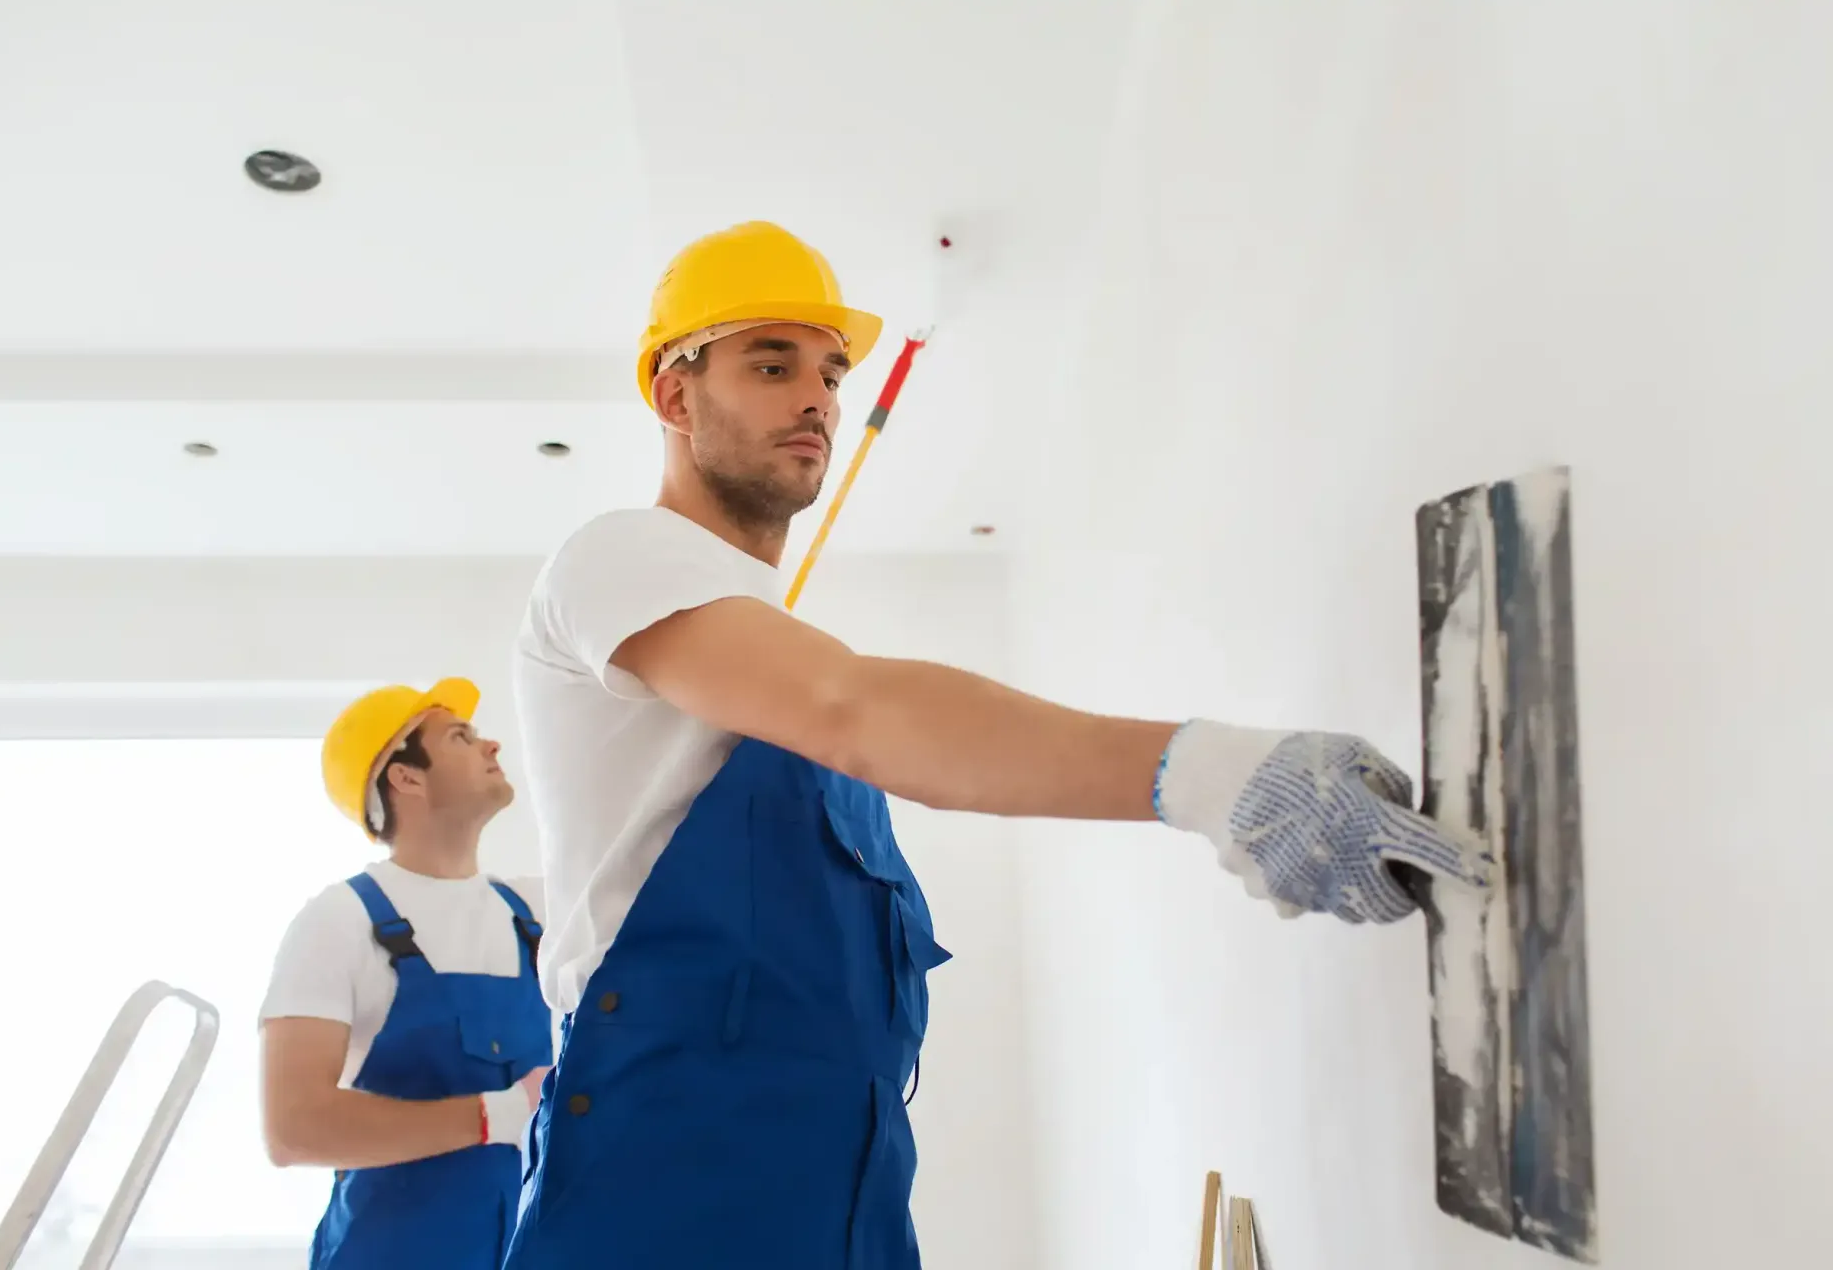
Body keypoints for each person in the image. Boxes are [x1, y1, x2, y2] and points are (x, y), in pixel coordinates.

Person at [502, 220, 1493, 1268]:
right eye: (771, 362)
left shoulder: (766, 659)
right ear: (673, 394)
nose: (818, 399)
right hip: (666, 1166)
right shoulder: (619, 559)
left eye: (832, 372)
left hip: (843, 1175)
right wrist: (1212, 773)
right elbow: (855, 708)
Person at [258, 678, 554, 1269]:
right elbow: (293, 1128)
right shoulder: (339, 921)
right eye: (461, 737)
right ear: (406, 777)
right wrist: (504, 1113)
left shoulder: (541, 914)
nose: (492, 746)